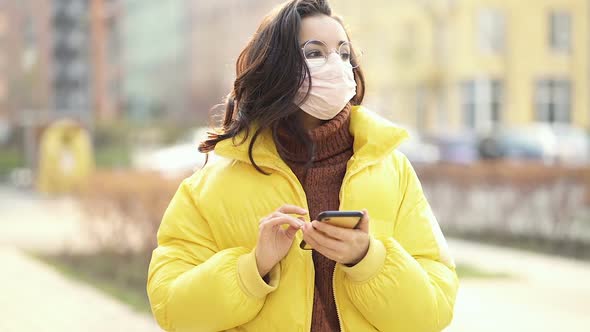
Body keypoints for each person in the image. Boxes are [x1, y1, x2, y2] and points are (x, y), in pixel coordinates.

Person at [147, 0, 458, 331]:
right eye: (315, 53)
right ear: (278, 68)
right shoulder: (211, 186)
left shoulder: (392, 171)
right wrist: (254, 267)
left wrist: (369, 260)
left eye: (343, 53)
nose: (336, 66)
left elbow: (434, 312)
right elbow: (173, 310)